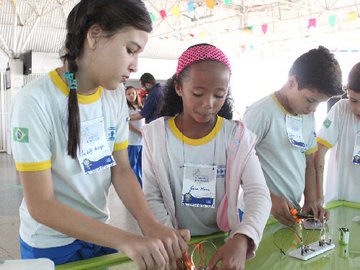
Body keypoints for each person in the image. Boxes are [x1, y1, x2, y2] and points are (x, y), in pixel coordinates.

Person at [9, 0, 189, 268]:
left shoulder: (114, 96)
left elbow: (122, 170)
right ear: (94, 36)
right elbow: (41, 205)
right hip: (51, 245)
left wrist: (150, 225)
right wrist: (126, 240)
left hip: (100, 236)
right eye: (130, 50)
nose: (135, 66)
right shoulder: (34, 101)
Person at [141, 43, 271, 270]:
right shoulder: (155, 136)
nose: (208, 104)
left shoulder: (238, 137)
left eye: (219, 95)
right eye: (198, 94)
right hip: (171, 242)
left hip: (220, 242)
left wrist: (243, 237)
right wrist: (170, 240)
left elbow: (258, 192)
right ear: (179, 87)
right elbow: (151, 196)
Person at [243, 46, 343, 226]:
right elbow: (236, 164)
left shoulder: (306, 115)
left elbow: (309, 162)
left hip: (290, 213)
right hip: (257, 216)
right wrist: (269, 198)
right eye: (311, 100)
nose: (312, 109)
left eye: (319, 104)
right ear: (291, 83)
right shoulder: (262, 113)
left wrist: (312, 200)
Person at [315, 62, 360, 204]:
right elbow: (319, 151)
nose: (358, 109)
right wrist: (317, 197)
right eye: (353, 100)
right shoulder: (341, 109)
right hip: (339, 202)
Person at [125, 85, 145, 186]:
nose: (131, 95)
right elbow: (127, 124)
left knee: (140, 166)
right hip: (132, 141)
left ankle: (140, 186)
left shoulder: (142, 107)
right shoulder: (126, 108)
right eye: (128, 94)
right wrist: (139, 132)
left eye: (133, 93)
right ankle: (133, 187)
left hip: (141, 142)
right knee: (132, 165)